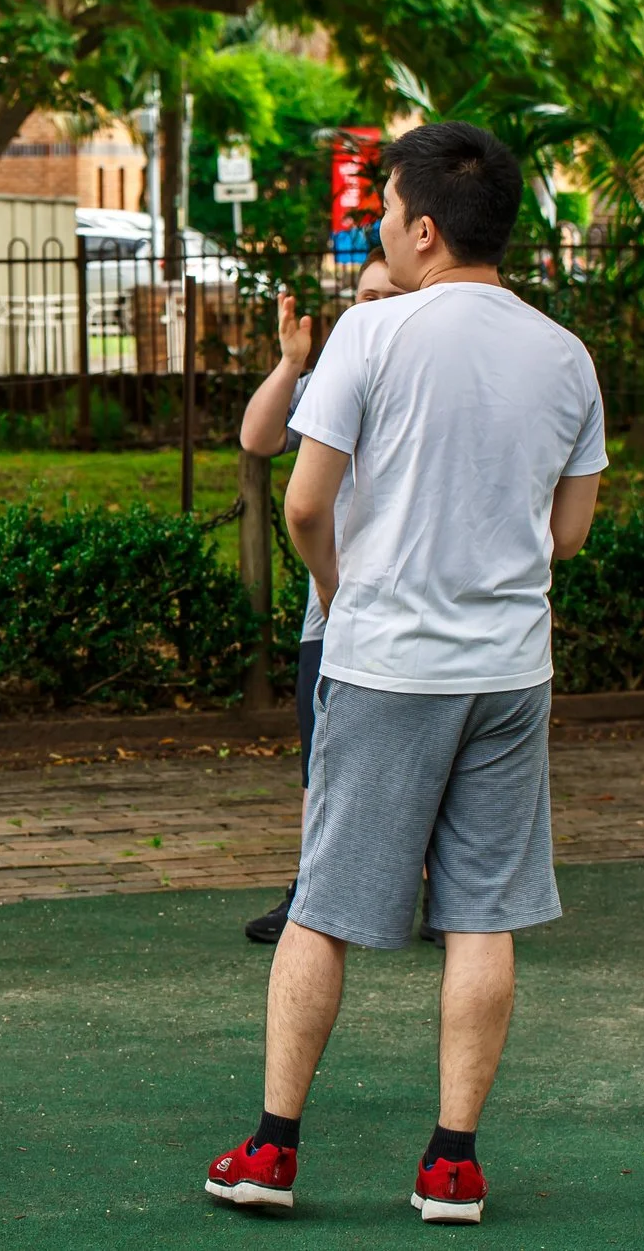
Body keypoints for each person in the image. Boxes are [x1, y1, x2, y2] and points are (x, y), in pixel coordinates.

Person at [203, 122, 605, 1225]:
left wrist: (338, 590)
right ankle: (452, 1162)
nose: (379, 225)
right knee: (484, 913)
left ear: (422, 228)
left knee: (322, 908)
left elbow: (299, 500)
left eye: (383, 209)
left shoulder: (369, 341)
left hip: (385, 663)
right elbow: (568, 534)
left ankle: (274, 1149)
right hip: (510, 668)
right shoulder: (564, 354)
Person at [236, 251, 403, 945]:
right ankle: (312, 887)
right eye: (360, 296)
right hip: (331, 612)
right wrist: (290, 363)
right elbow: (259, 437)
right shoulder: (337, 376)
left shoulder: (430, 376)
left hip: (406, 608)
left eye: (385, 296)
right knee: (324, 755)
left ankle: (437, 893)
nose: (368, 308)